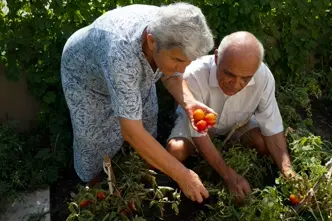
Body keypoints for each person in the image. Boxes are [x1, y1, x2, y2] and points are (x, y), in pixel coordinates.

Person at [60, 2, 216, 203]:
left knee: (148, 116)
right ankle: (95, 188)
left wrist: (190, 103)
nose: (183, 69)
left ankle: (145, 171)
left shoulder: (171, 27)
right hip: (87, 77)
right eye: (178, 60)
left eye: (188, 62)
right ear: (152, 42)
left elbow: (173, 75)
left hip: (124, 68)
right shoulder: (122, 53)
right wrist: (183, 175)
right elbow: (131, 131)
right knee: (93, 137)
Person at [166, 31, 297, 203]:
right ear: (216, 58)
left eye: (246, 78)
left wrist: (288, 172)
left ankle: (222, 150)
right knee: (176, 151)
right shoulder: (194, 75)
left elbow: (272, 126)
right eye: (229, 74)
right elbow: (199, 133)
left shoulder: (264, 77)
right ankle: (209, 161)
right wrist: (228, 175)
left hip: (238, 124)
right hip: (197, 127)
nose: (236, 84)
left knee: (264, 144)